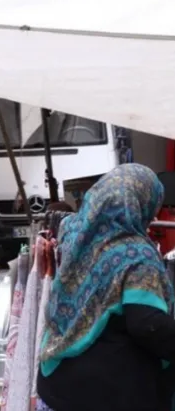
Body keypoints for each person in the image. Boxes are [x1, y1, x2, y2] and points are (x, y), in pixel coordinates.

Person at [37, 164, 175, 411]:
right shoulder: (136, 254)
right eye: (153, 206)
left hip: (55, 384)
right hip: (106, 393)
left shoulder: (74, 235)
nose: (153, 217)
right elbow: (146, 323)